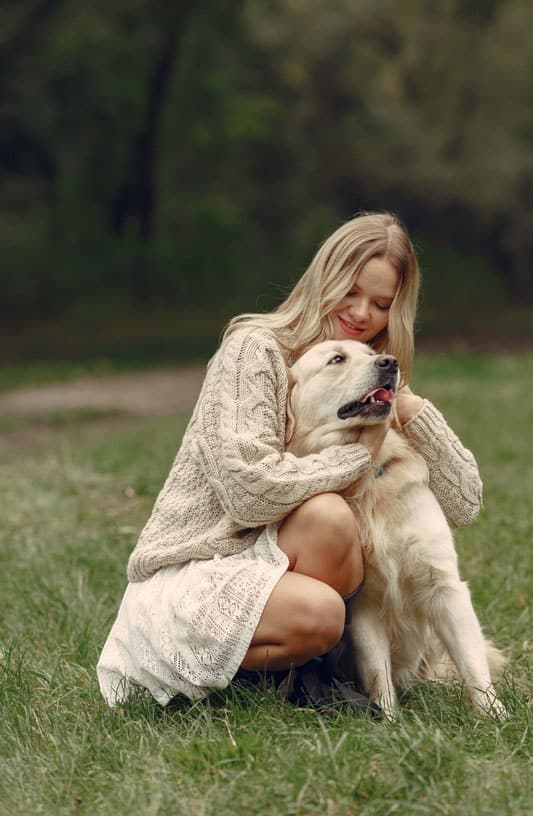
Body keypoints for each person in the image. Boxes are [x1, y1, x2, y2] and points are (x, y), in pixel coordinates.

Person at [97, 212, 483, 709]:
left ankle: (301, 678)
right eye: (351, 291)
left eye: (381, 304)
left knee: (329, 523)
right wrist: (357, 459)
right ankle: (250, 681)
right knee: (326, 563)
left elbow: (466, 501)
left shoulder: (368, 378)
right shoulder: (254, 353)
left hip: (271, 574)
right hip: (201, 573)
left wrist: (409, 406)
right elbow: (248, 493)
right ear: (324, 276)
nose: (363, 313)